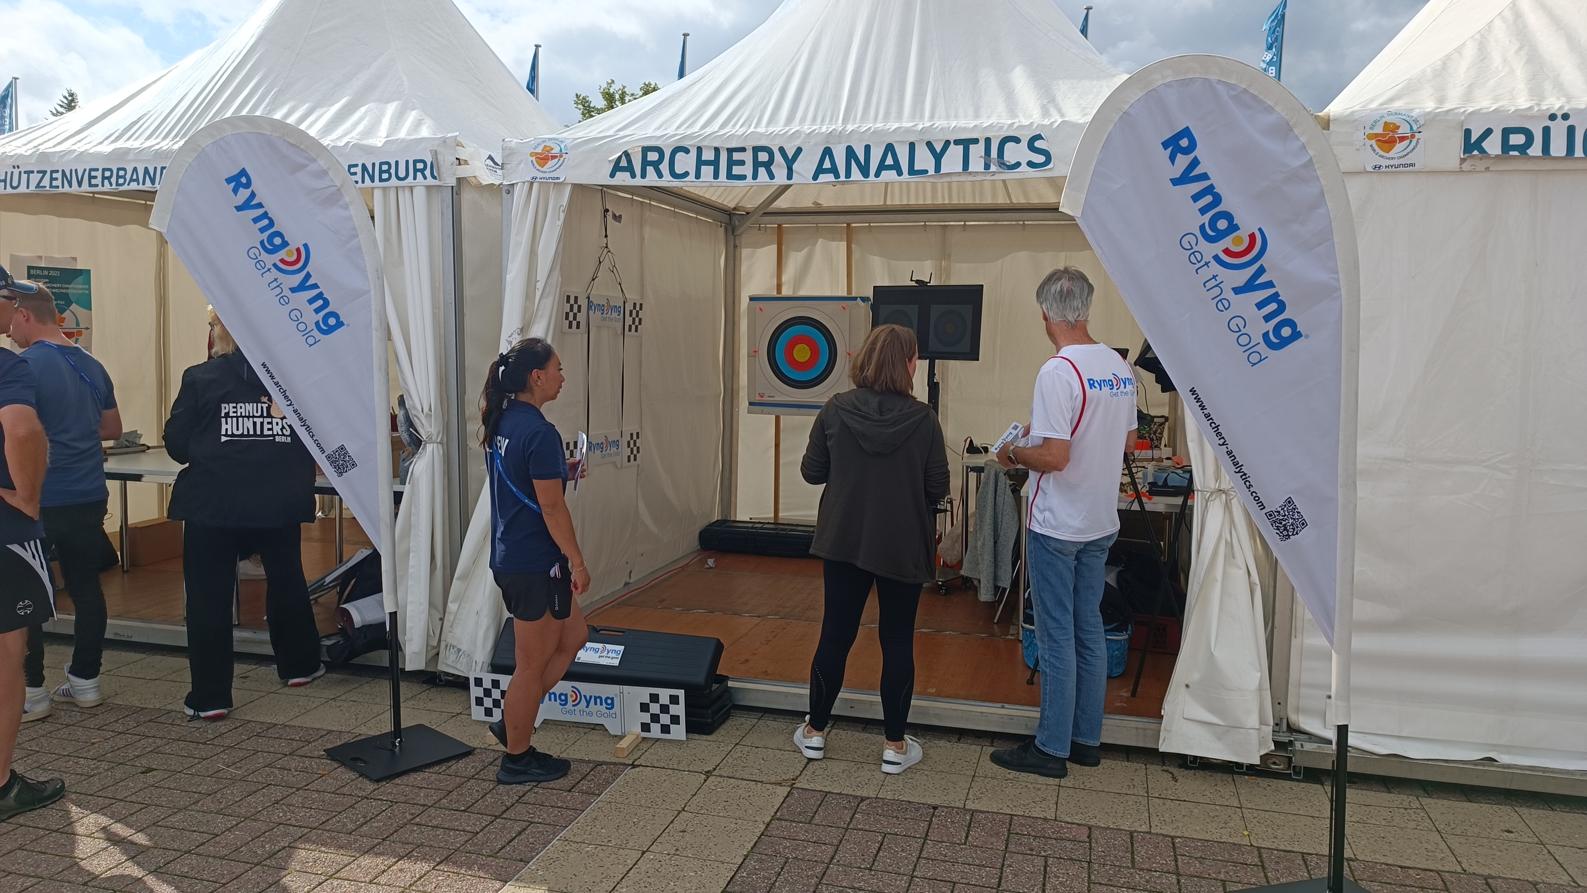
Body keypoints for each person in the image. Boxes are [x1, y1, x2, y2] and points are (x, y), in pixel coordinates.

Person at [990, 268, 1137, 779]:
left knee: (1055, 635)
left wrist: (1014, 452)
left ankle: (1050, 747)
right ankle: (1085, 740)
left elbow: (1054, 458)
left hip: (1057, 523)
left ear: (1045, 314)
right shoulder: (1118, 366)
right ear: (1087, 309)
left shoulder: (1057, 371)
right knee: (1088, 627)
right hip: (1099, 519)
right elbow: (1128, 442)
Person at [794, 324, 949, 775]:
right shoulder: (924, 420)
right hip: (903, 544)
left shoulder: (835, 409)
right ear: (908, 364)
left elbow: (811, 472)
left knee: (835, 635)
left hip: (844, 539)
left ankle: (815, 732)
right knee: (897, 640)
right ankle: (894, 746)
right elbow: (937, 487)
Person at [164, 308, 324, 721]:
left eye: (213, 326)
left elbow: (177, 445)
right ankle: (300, 665)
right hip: (279, 500)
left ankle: (210, 696)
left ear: (224, 333)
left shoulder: (200, 378)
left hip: (214, 502)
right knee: (286, 580)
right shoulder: (292, 378)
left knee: (208, 597)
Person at [7, 284, 121, 721]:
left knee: (26, 594)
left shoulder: (22, 366)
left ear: (24, 315)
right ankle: (86, 681)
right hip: (88, 491)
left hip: (37, 496)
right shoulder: (92, 364)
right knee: (86, 586)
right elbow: (111, 427)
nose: (9, 331)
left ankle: (32, 691)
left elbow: (17, 430)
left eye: (11, 320)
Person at [481, 337, 590, 785]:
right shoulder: (539, 432)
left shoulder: (504, 418)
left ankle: (514, 721)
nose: (563, 377)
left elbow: (529, 482)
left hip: (515, 555)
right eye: (558, 368)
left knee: (575, 635)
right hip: (534, 561)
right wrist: (577, 562)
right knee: (530, 665)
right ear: (537, 376)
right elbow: (551, 507)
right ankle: (517, 756)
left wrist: (561, 470)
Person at [0, 267, 66, 819]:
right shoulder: (7, 366)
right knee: (6, 658)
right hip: (5, 534)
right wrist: (27, 496)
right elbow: (22, 429)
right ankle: (1, 784)